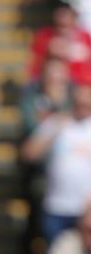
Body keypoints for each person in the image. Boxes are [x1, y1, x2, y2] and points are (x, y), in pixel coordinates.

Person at [21, 84, 91, 245]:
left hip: (86, 210)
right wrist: (52, 131)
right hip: (56, 206)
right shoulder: (57, 122)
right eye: (78, 104)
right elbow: (29, 153)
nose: (82, 109)